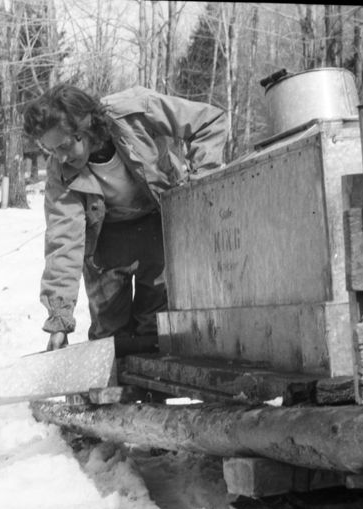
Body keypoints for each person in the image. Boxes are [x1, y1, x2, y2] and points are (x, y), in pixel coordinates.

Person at [22, 83, 228, 355]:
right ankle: (114, 397)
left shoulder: (134, 111)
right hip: (106, 240)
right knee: (109, 339)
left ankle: (154, 393)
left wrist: (199, 185)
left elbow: (209, 121)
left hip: (158, 225)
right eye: (51, 151)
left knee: (156, 329)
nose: (60, 157)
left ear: (84, 128)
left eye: (64, 145)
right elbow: (64, 241)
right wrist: (59, 317)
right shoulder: (60, 172)